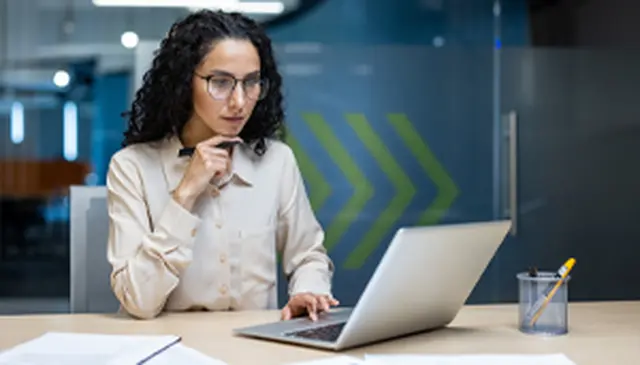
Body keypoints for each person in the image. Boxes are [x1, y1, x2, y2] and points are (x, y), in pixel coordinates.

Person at [105, 9, 338, 320]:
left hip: (253, 348)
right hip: (168, 348)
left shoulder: (276, 160)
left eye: (251, 82)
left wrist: (306, 292)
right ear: (183, 82)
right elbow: (139, 302)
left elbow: (308, 255)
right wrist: (185, 193)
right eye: (221, 82)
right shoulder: (132, 167)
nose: (239, 102)